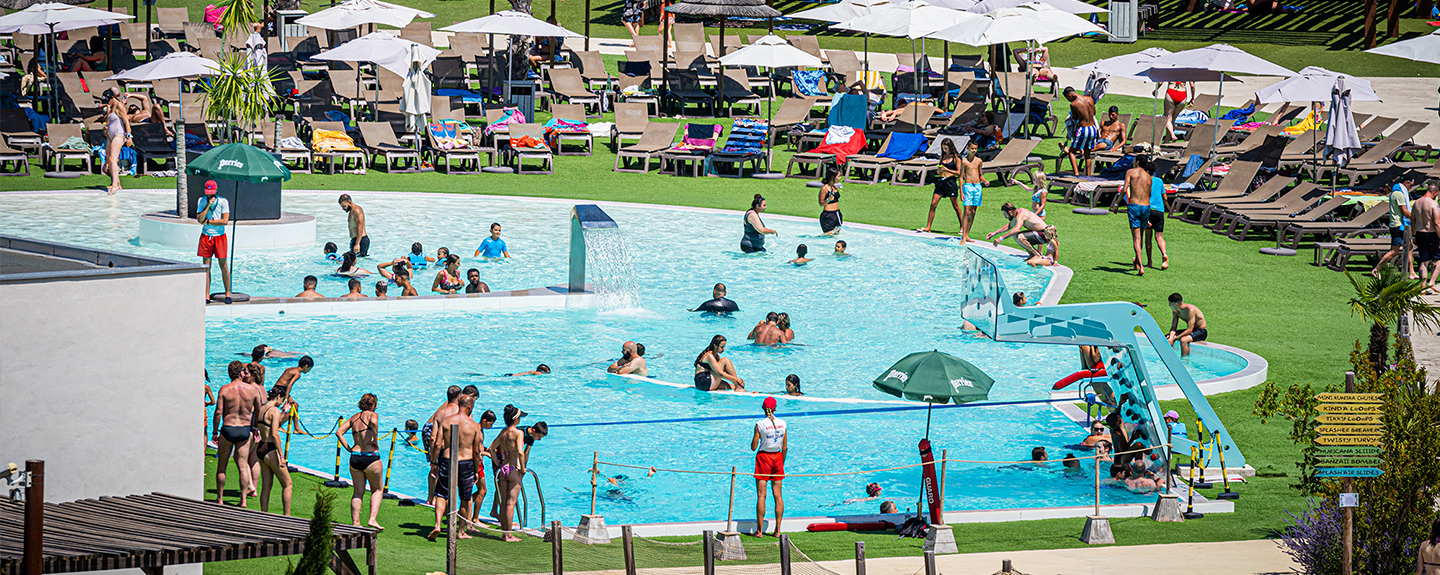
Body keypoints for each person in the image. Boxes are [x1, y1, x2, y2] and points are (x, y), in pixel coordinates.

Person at [429, 395, 486, 540]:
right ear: (470, 407)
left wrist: (434, 462)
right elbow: (476, 452)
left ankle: (437, 524)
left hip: (447, 460)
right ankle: (460, 531)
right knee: (465, 497)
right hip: (466, 462)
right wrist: (475, 470)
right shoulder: (473, 425)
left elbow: (437, 443)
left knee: (441, 494)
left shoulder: (446, 421)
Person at [213, 361, 261, 506]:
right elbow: (258, 409)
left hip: (228, 428)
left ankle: (220, 499)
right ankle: (243, 500)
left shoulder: (224, 389)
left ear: (229, 374)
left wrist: (215, 431)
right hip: (244, 430)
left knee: (222, 466)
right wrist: (255, 427)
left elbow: (218, 412)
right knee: (242, 465)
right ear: (241, 373)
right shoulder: (252, 390)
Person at [337, 393, 384, 530]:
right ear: (373, 404)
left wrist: (348, 448)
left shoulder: (354, 418)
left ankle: (356, 523)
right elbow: (374, 422)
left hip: (355, 456)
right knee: (377, 489)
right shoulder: (372, 415)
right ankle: (372, 519)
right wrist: (374, 439)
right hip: (370, 456)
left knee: (358, 492)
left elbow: (339, 432)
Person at [490, 405, 529, 542]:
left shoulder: (503, 432)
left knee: (504, 502)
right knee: (511, 503)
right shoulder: (518, 433)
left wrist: (498, 463)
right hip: (513, 469)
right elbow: (520, 451)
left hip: (503, 469)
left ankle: (504, 533)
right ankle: (509, 535)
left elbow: (491, 448)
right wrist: (523, 468)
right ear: (516, 419)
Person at [751, 396, 787, 537]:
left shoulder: (760, 424)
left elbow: (754, 447)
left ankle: (759, 531)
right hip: (777, 457)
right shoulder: (783, 423)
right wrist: (781, 463)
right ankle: (777, 530)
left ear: (763, 408)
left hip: (764, 458)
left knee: (761, 496)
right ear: (775, 408)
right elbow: (785, 447)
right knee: (778, 496)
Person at [256, 385, 294, 515]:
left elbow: (269, 424)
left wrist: (284, 412)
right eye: (282, 400)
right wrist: (281, 455)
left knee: (266, 485)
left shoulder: (263, 408)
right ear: (278, 397)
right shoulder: (274, 411)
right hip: (271, 448)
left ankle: (263, 513)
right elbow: (275, 433)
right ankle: (287, 517)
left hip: (260, 448)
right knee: (287, 484)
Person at [195, 180, 232, 303]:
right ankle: (206, 294)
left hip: (219, 237)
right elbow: (200, 220)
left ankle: (228, 292)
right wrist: (207, 206)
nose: (210, 195)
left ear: (216, 190)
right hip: (206, 236)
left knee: (223, 265)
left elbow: (225, 221)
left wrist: (209, 222)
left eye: (212, 192)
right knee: (207, 267)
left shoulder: (223, 201)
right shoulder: (202, 201)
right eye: (208, 192)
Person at [1373, 178, 1417, 277]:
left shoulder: (1399, 192)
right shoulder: (1399, 194)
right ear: (1406, 182)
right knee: (1394, 251)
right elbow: (1405, 211)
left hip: (1401, 225)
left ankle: (1412, 272)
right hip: (1398, 226)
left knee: (1410, 248)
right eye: (1411, 185)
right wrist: (1416, 217)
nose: (1411, 188)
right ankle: (1376, 269)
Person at [918, 139, 963, 234]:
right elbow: (939, 169)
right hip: (940, 182)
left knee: (955, 205)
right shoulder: (942, 156)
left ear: (950, 147)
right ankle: (928, 227)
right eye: (943, 148)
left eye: (946, 148)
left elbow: (959, 173)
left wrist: (947, 169)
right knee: (933, 204)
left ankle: (962, 227)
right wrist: (939, 171)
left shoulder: (956, 158)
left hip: (950, 182)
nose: (945, 150)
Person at [1119, 155, 1153, 275]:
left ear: (1137, 162)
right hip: (1146, 207)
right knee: (1141, 236)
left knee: (1136, 238)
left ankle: (1141, 267)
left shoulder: (1131, 172)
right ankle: (1137, 263)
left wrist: (1117, 204)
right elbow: (1149, 195)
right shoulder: (1149, 177)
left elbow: (1124, 190)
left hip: (1134, 206)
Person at [100, 89, 132, 195]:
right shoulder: (110, 106)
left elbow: (126, 121)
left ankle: (114, 185)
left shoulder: (119, 106)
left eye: (107, 100)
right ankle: (117, 183)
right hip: (110, 136)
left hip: (119, 135)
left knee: (113, 160)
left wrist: (129, 136)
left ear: (112, 98)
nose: (106, 102)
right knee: (107, 163)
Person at [1063, 87, 1099, 176]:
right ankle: (1088, 175)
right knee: (1088, 154)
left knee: (1071, 151)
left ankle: (1076, 174)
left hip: (1083, 129)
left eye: (1068, 98)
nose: (1069, 101)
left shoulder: (1074, 104)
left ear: (1070, 95)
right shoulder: (1090, 99)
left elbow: (1075, 118)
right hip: (1093, 128)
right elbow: (1094, 113)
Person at [958, 140, 985, 243]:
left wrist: (985, 181)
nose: (974, 150)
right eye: (972, 148)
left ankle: (967, 234)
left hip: (977, 186)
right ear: (968, 149)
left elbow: (980, 174)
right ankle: (963, 236)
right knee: (966, 211)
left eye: (975, 148)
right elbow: (961, 177)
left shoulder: (979, 161)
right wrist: (961, 191)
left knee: (973, 211)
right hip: (968, 186)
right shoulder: (964, 161)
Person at [1415, 183, 1440, 291]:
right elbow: (1437, 222)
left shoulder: (1416, 203)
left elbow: (1412, 221)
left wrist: (1413, 235)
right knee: (1438, 260)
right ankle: (1432, 282)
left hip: (1419, 233)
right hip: (1431, 234)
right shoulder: (1433, 204)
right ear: (1434, 193)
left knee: (1424, 261)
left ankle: (1423, 287)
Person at [1145, 166, 1170, 270]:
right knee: (1159, 236)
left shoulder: (1146, 181)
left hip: (1148, 209)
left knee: (1148, 237)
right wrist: (1163, 206)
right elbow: (1165, 197)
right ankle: (1164, 254)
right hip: (1159, 211)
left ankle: (1149, 261)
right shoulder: (1159, 181)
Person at [818, 168, 843, 235]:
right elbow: (821, 204)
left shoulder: (835, 187)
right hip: (828, 216)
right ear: (832, 177)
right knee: (828, 236)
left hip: (837, 214)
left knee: (835, 235)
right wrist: (828, 200)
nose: (840, 178)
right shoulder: (824, 188)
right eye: (838, 176)